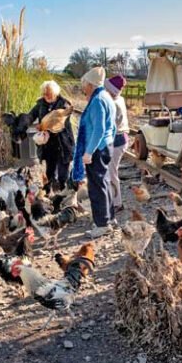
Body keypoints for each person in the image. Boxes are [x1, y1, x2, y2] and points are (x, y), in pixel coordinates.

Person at [71, 66, 116, 238]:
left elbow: (99, 129)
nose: (83, 87)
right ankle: (109, 218)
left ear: (91, 84)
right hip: (106, 145)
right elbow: (110, 127)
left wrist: (89, 152)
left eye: (84, 84)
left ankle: (102, 224)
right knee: (104, 182)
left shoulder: (97, 100)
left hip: (97, 148)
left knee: (96, 187)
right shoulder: (106, 96)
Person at [27, 80, 75, 193]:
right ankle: (48, 193)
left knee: (63, 172)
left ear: (56, 93)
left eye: (48, 93)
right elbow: (31, 116)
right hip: (48, 144)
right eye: (44, 93)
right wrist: (25, 121)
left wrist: (44, 125)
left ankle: (63, 193)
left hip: (63, 142)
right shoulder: (40, 104)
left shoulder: (64, 104)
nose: (46, 95)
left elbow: (58, 120)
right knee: (49, 170)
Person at [104, 74, 129, 213]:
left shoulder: (114, 104)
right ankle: (114, 199)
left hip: (118, 138)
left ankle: (117, 202)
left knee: (111, 172)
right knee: (111, 171)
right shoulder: (120, 99)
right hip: (122, 137)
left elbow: (111, 126)